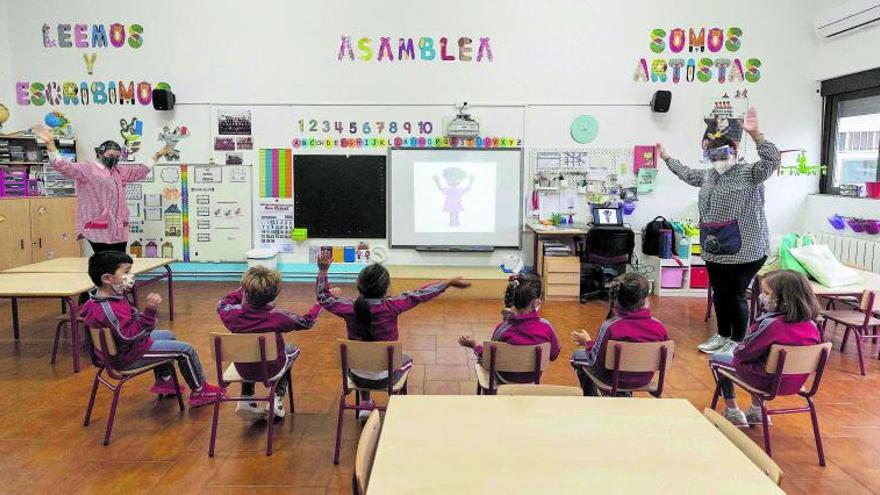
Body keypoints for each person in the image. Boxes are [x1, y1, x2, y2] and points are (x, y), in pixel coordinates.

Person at [658, 107, 781, 355]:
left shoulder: (751, 173)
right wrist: (667, 158)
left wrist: (756, 135)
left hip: (746, 248)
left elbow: (771, 160)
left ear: (734, 152)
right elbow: (687, 174)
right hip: (716, 248)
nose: (717, 161)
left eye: (721, 155)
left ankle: (737, 340)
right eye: (712, 156)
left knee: (735, 295)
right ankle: (722, 334)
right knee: (720, 295)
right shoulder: (710, 175)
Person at [316, 254, 470, 419]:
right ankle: (397, 407)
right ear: (387, 288)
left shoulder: (348, 308)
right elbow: (420, 294)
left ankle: (365, 405)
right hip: (387, 378)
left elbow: (323, 297)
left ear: (359, 286)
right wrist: (446, 283)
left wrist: (323, 272)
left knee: (363, 358)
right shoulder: (392, 306)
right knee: (406, 358)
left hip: (356, 376)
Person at [80, 251, 224, 407]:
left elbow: (123, 327)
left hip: (120, 350)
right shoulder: (108, 308)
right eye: (126, 272)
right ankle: (200, 391)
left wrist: (137, 316)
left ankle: (165, 381)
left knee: (168, 335)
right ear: (107, 278)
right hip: (128, 356)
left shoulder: (96, 301)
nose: (131, 276)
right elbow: (129, 335)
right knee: (186, 350)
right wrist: (149, 312)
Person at [32, 124, 171, 254]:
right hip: (99, 224)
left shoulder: (119, 170)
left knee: (119, 259)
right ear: (100, 153)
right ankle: (103, 279)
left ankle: (117, 280)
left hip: (119, 226)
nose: (114, 159)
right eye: (110, 155)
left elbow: (140, 171)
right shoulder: (88, 169)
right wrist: (50, 144)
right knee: (104, 260)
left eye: (117, 157)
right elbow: (62, 165)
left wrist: (158, 155)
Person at [708, 270, 822, 426]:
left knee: (717, 358)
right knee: (763, 360)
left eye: (767, 293)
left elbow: (744, 353)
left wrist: (739, 346)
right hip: (795, 382)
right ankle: (756, 412)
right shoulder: (812, 325)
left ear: (785, 300)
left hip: (767, 381)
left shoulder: (772, 324)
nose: (762, 297)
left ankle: (733, 412)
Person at [217, 266, 328, 421]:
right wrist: (319, 304)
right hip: (271, 370)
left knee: (248, 352)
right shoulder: (278, 317)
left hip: (242, 369)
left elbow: (223, 302)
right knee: (290, 350)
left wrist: (246, 287)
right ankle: (276, 400)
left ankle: (246, 398)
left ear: (245, 292)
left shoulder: (231, 314)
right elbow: (307, 322)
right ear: (275, 294)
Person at [570, 273, 668, 396]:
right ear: (645, 300)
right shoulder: (659, 326)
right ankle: (624, 394)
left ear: (616, 299)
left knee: (577, 355)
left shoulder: (610, 326)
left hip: (612, 380)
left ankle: (592, 398)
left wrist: (588, 342)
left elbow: (595, 360)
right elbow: (667, 357)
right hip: (643, 379)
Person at [458, 273, 560, 383]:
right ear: (536, 302)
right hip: (531, 381)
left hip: (504, 380)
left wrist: (474, 346)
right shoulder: (546, 327)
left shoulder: (502, 329)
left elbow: (489, 360)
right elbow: (554, 355)